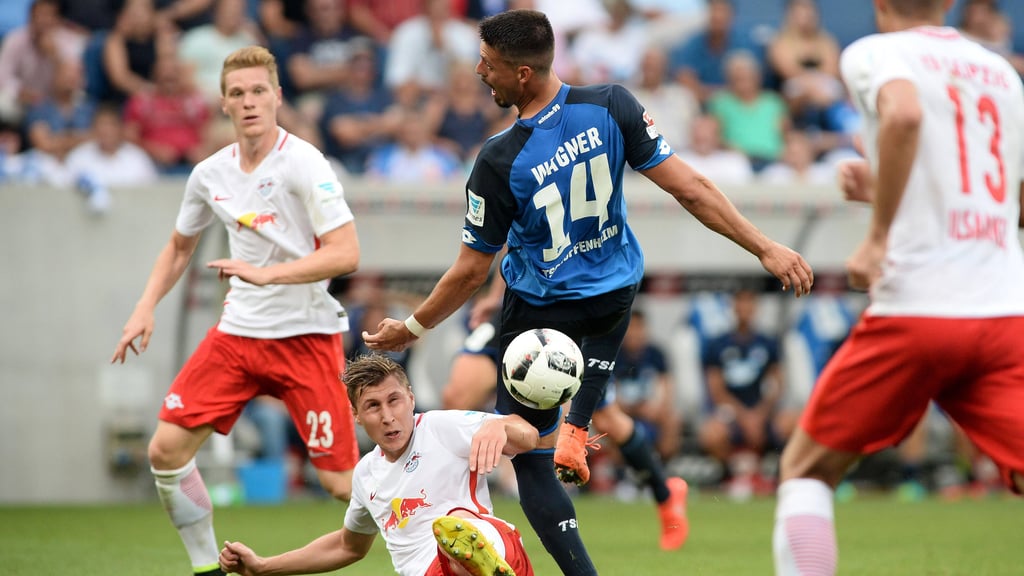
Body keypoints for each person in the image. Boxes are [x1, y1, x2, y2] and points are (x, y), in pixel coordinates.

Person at [363, 10, 813, 575]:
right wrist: (765, 247)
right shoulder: (611, 104)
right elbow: (692, 189)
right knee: (586, 407)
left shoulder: (499, 158)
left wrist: (413, 328)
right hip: (613, 295)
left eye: (490, 64)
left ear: (523, 74)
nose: (480, 71)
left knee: (528, 457)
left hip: (539, 313)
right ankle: (588, 433)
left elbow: (468, 271)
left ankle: (579, 486)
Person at [772, 1, 1024, 575]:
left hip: (920, 310)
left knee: (807, 468)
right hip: (1006, 313)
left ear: (881, 5)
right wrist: (888, 186)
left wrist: (878, 236)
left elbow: (905, 113)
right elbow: (1014, 198)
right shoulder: (1001, 72)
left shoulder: (877, 52)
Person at [110, 45, 361, 576]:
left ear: (277, 97)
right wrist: (144, 307)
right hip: (238, 335)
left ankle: (440, 524)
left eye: (258, 91)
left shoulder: (305, 162)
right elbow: (179, 247)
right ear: (223, 103)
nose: (249, 102)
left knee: (344, 485)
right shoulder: (208, 175)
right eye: (237, 93)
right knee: (166, 451)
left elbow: (345, 253)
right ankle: (208, 568)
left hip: (306, 336)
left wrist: (268, 273)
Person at [218, 353, 537, 576]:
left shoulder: (440, 427)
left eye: (394, 400)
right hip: (430, 571)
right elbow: (347, 546)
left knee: (456, 529)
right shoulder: (366, 475)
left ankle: (479, 562)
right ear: (356, 415)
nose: (387, 416)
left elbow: (529, 436)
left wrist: (502, 424)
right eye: (372, 406)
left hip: (497, 547)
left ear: (411, 398)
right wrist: (263, 567)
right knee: (453, 541)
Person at [699, 289, 798, 501]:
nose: (744, 309)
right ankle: (730, 475)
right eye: (740, 304)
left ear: (756, 309)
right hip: (731, 412)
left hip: (762, 410)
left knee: (794, 422)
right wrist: (744, 416)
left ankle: (775, 474)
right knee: (710, 433)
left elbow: (777, 383)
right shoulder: (718, 344)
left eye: (749, 304)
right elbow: (716, 389)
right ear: (733, 308)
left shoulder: (768, 342)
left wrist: (760, 413)